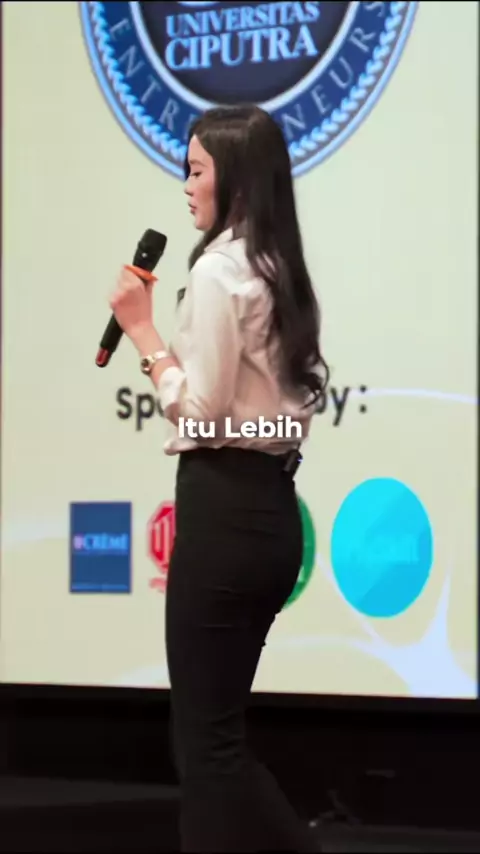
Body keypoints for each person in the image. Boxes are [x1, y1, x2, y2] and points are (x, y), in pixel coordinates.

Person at [109, 104, 328, 853]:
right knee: (214, 742)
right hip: (269, 514)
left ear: (233, 177)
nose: (186, 185)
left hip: (225, 514)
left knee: (206, 749)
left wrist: (143, 333)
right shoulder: (276, 265)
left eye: (196, 169)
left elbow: (200, 416)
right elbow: (279, 423)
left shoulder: (218, 269)